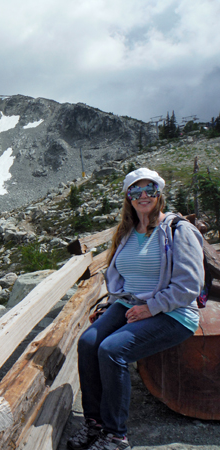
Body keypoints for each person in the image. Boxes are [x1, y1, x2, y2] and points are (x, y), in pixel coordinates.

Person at [67, 168, 204, 450]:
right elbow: (119, 275)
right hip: (129, 303)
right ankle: (95, 424)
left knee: (113, 350)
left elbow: (190, 285)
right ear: (128, 197)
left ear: (159, 194)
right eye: (136, 191)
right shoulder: (127, 231)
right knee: (88, 342)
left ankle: (116, 435)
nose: (143, 196)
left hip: (173, 311)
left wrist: (151, 308)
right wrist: (114, 303)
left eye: (150, 190)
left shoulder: (178, 230)